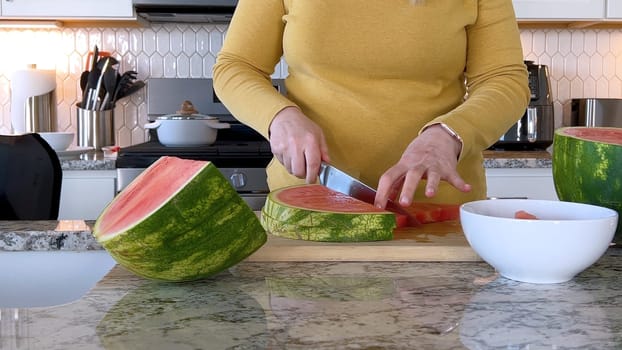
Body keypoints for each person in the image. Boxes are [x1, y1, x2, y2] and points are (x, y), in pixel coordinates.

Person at [213, 0, 530, 209]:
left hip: (435, 212)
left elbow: (505, 80)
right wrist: (280, 117)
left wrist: (450, 133)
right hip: (310, 204)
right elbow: (236, 66)